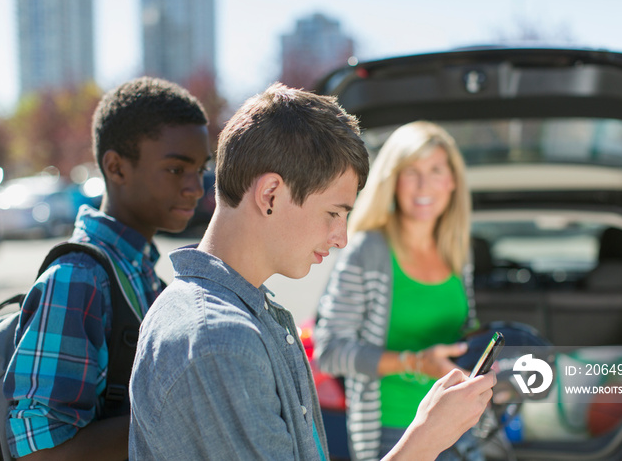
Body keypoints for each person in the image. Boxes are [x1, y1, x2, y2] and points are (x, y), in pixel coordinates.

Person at [129, 85, 495, 460]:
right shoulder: (220, 340)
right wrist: (426, 439)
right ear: (270, 194)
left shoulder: (250, 312)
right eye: (334, 213)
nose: (341, 238)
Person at [3, 76, 211, 460]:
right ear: (116, 167)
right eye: (176, 169)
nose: (196, 188)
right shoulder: (78, 277)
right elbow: (40, 454)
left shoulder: (140, 270)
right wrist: (189, 416)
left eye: (200, 169)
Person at [315, 121, 482, 461]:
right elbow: (329, 351)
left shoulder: (457, 250)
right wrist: (417, 363)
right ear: (392, 181)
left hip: (461, 427)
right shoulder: (368, 251)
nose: (424, 184)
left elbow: (465, 333)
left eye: (435, 170)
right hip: (394, 434)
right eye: (411, 172)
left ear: (451, 181)